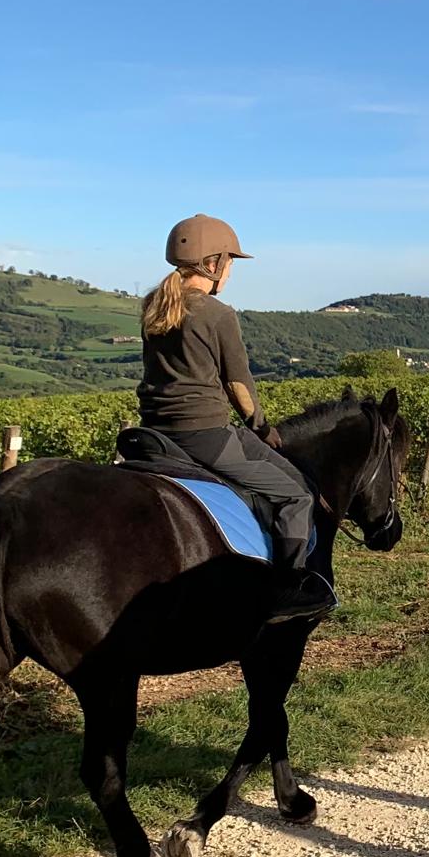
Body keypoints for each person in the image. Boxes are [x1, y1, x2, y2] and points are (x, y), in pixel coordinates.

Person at [137, 213, 335, 624]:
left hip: (154, 431)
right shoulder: (216, 313)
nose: (230, 271)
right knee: (296, 494)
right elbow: (238, 385)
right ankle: (289, 590)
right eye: (229, 262)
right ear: (212, 264)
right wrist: (262, 429)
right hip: (204, 433)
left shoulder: (154, 306)